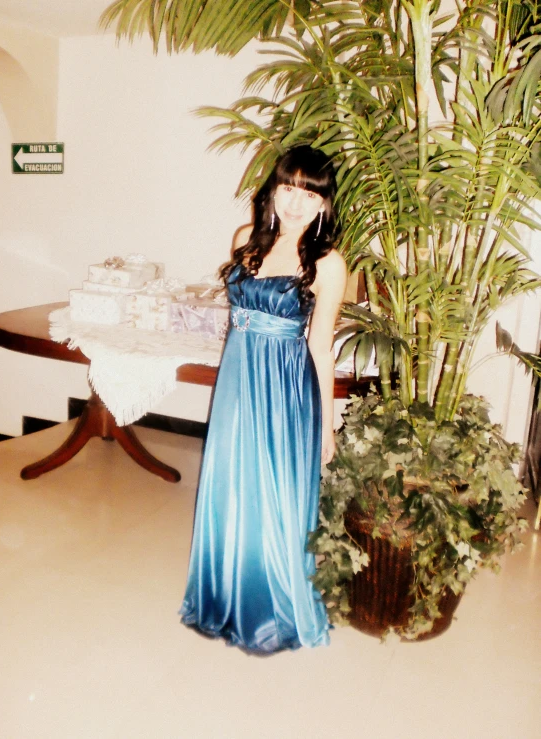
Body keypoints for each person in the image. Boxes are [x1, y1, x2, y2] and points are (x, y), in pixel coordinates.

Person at [179, 145, 347, 654]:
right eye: (289, 187)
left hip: (285, 386)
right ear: (274, 190)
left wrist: (327, 424)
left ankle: (273, 602)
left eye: (309, 193)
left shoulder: (328, 264)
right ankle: (223, 591)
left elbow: (320, 346)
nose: (296, 202)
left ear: (324, 204)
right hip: (238, 376)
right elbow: (237, 320)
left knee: (274, 491)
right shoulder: (244, 241)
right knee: (231, 481)